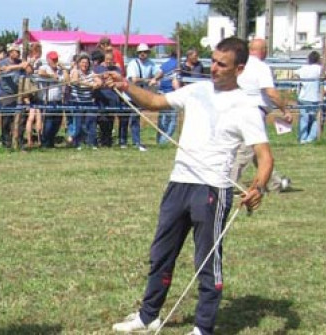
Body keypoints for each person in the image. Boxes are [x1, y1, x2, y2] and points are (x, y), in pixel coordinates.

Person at [107, 37, 273, 335]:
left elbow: (265, 158)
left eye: (222, 64)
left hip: (212, 189)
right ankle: (148, 317)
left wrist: (257, 187)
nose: (214, 68)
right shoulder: (197, 91)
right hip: (179, 183)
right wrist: (124, 85)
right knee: (161, 254)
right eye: (213, 61)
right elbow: (156, 102)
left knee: (207, 261)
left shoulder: (247, 107)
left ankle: (203, 328)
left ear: (240, 68)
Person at [233, 38, 293, 193]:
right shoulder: (261, 67)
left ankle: (275, 183)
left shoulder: (239, 64)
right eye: (266, 49)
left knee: (258, 151)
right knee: (246, 152)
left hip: (236, 109)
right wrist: (285, 110)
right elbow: (271, 93)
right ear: (263, 50)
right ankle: (226, 183)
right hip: (253, 112)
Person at [124, 43, 158, 152]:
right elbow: (133, 79)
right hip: (130, 95)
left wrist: (155, 78)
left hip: (140, 96)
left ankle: (135, 141)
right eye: (141, 52)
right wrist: (148, 80)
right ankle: (125, 141)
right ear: (138, 53)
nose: (143, 54)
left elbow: (159, 72)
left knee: (135, 119)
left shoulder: (151, 63)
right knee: (126, 119)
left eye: (145, 52)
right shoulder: (133, 64)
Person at [68, 53, 101, 149]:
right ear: (78, 63)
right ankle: (77, 143)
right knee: (77, 124)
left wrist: (97, 84)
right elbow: (75, 81)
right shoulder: (75, 71)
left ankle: (92, 143)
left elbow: (99, 81)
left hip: (89, 102)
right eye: (82, 62)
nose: (85, 64)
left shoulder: (91, 72)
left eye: (86, 63)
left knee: (91, 123)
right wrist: (90, 85)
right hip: (77, 102)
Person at [294, 51, 323, 144]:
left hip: (303, 96)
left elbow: (295, 74)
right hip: (314, 97)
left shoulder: (304, 68)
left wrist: (300, 83)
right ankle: (310, 138)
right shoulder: (319, 68)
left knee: (304, 118)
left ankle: (303, 138)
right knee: (314, 118)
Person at [38, 51, 65, 148]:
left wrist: (64, 68)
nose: (55, 61)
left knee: (57, 122)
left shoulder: (60, 70)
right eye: (53, 59)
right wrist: (51, 76)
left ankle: (51, 141)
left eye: (56, 59)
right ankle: (45, 142)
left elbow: (66, 79)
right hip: (47, 100)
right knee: (48, 123)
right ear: (48, 60)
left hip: (58, 100)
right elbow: (40, 73)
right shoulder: (44, 67)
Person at [154, 51, 181, 145]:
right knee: (172, 120)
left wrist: (154, 79)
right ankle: (163, 142)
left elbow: (159, 74)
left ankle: (159, 140)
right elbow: (177, 79)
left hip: (162, 93)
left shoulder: (165, 64)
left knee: (163, 119)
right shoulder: (178, 65)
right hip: (172, 94)